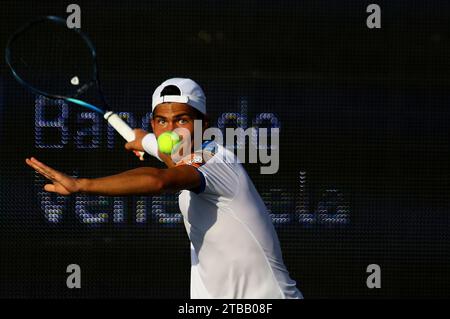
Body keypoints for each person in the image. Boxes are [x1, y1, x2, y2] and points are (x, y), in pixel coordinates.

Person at [25, 78, 303, 299]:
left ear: (203, 125)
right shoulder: (182, 151)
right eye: (162, 121)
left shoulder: (215, 160)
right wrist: (143, 141)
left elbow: (159, 180)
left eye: (182, 120)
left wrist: (82, 185)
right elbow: (161, 148)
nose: (171, 132)